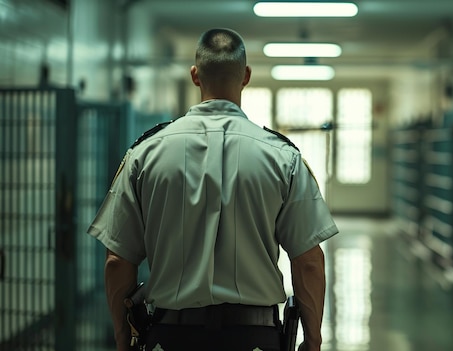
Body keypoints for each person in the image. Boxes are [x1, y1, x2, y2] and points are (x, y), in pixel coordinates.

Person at [87, 28, 338, 351]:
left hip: (169, 338)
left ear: (195, 75)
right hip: (255, 339)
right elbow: (308, 262)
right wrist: (313, 342)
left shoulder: (145, 155)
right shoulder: (283, 158)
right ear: (246, 75)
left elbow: (117, 262)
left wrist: (124, 339)